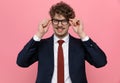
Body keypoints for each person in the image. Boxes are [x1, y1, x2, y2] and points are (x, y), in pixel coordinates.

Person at [16, 1, 107, 83]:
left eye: (63, 21)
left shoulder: (80, 45)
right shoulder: (41, 45)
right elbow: (22, 62)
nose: (59, 25)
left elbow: (101, 62)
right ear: (51, 22)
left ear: (70, 23)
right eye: (56, 21)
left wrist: (82, 34)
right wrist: (39, 34)